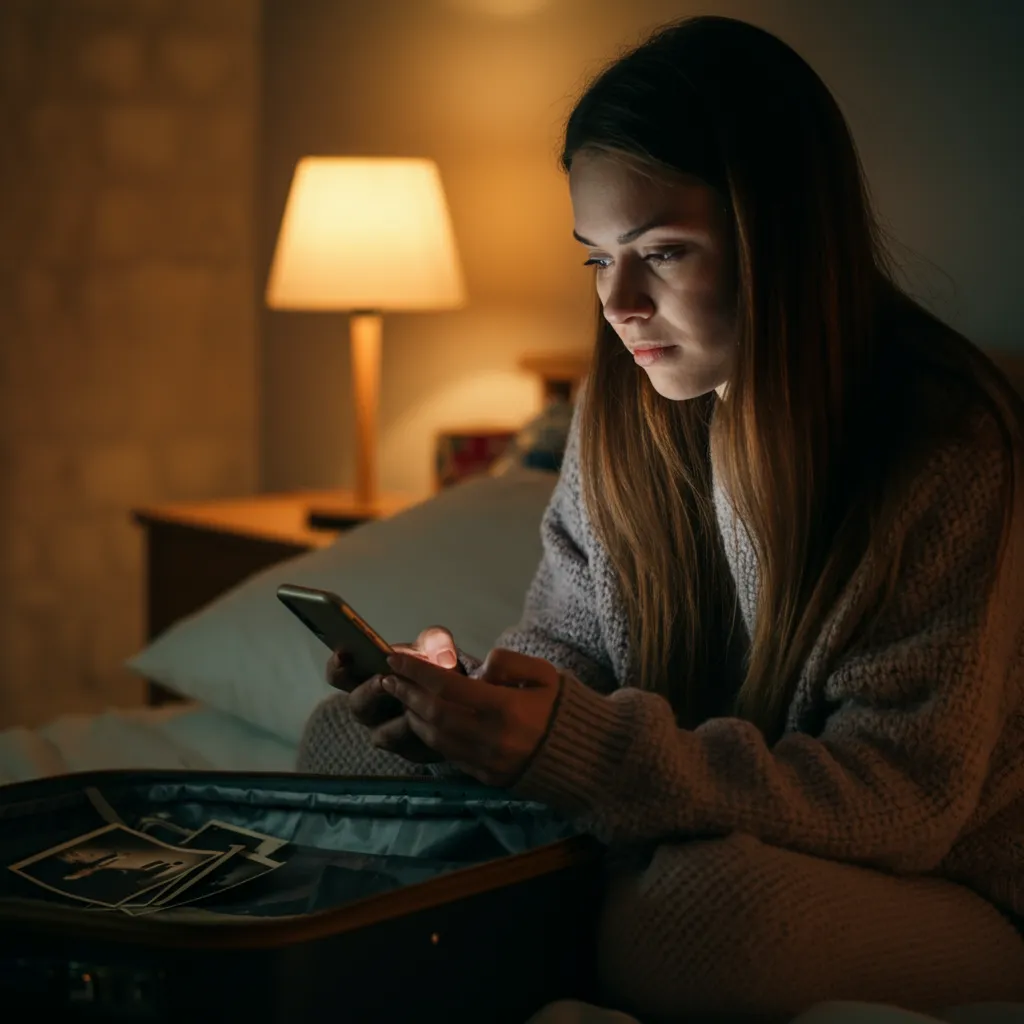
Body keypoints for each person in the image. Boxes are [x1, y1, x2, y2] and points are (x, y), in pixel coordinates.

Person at [297, 15, 1024, 1022]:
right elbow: (566, 648)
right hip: (682, 816)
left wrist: (580, 754)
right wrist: (465, 710)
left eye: (663, 253)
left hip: (937, 886)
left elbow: (899, 801)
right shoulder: (620, 413)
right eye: (596, 258)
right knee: (340, 743)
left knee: (706, 918)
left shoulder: (942, 441)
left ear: (780, 236)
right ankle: (551, 909)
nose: (620, 303)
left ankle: (538, 917)